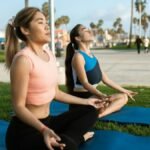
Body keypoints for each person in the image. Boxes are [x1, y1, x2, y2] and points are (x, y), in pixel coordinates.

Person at [5, 8, 103, 150]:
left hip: (48, 122)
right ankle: (76, 138)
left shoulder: (49, 55)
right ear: (25, 30)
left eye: (46, 22)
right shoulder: (23, 60)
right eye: (40, 22)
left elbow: (56, 93)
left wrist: (87, 101)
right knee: (65, 146)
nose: (47, 26)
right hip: (25, 132)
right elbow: (18, 107)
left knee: (90, 110)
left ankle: (68, 138)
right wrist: (43, 129)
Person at [65, 24, 137, 118]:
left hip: (93, 95)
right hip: (82, 97)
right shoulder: (78, 56)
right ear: (78, 38)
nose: (89, 31)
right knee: (106, 103)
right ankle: (99, 110)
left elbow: (106, 79)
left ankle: (100, 114)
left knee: (123, 97)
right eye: (84, 29)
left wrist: (125, 90)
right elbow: (85, 83)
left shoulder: (92, 56)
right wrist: (100, 94)